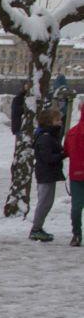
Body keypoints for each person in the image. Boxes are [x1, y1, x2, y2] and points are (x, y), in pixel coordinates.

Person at [29, 108, 65, 242]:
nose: (60, 122)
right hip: (45, 174)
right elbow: (48, 158)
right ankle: (35, 229)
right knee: (44, 202)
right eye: (57, 120)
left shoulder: (51, 135)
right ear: (49, 122)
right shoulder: (45, 138)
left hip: (49, 173)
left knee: (47, 202)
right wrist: (63, 154)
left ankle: (38, 227)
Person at [63, 106, 84, 247]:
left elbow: (66, 151)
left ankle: (76, 234)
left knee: (76, 206)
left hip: (76, 174)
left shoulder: (72, 132)